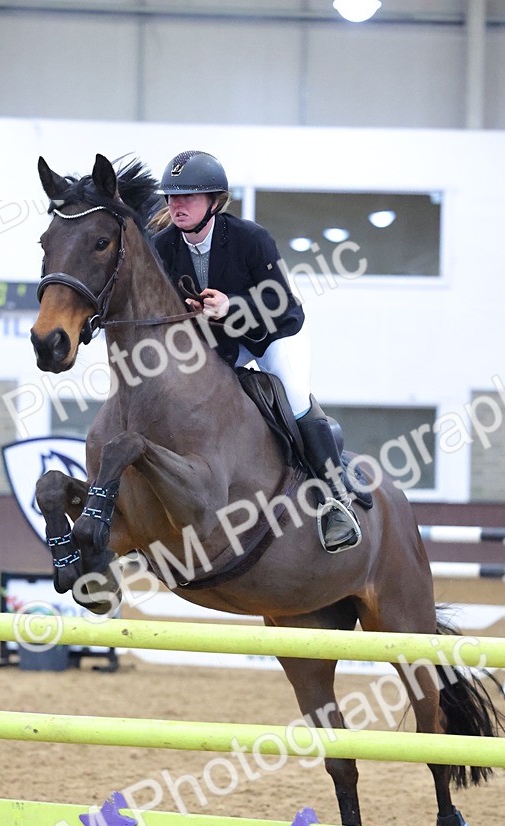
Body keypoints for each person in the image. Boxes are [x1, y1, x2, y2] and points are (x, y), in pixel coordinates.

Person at [153, 151, 360, 553]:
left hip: (273, 336)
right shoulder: (163, 246)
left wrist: (231, 306)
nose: (176, 205)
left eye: (188, 197)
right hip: (220, 347)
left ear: (214, 201)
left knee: (295, 399)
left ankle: (337, 498)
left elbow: (279, 298)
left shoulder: (251, 238)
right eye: (171, 197)